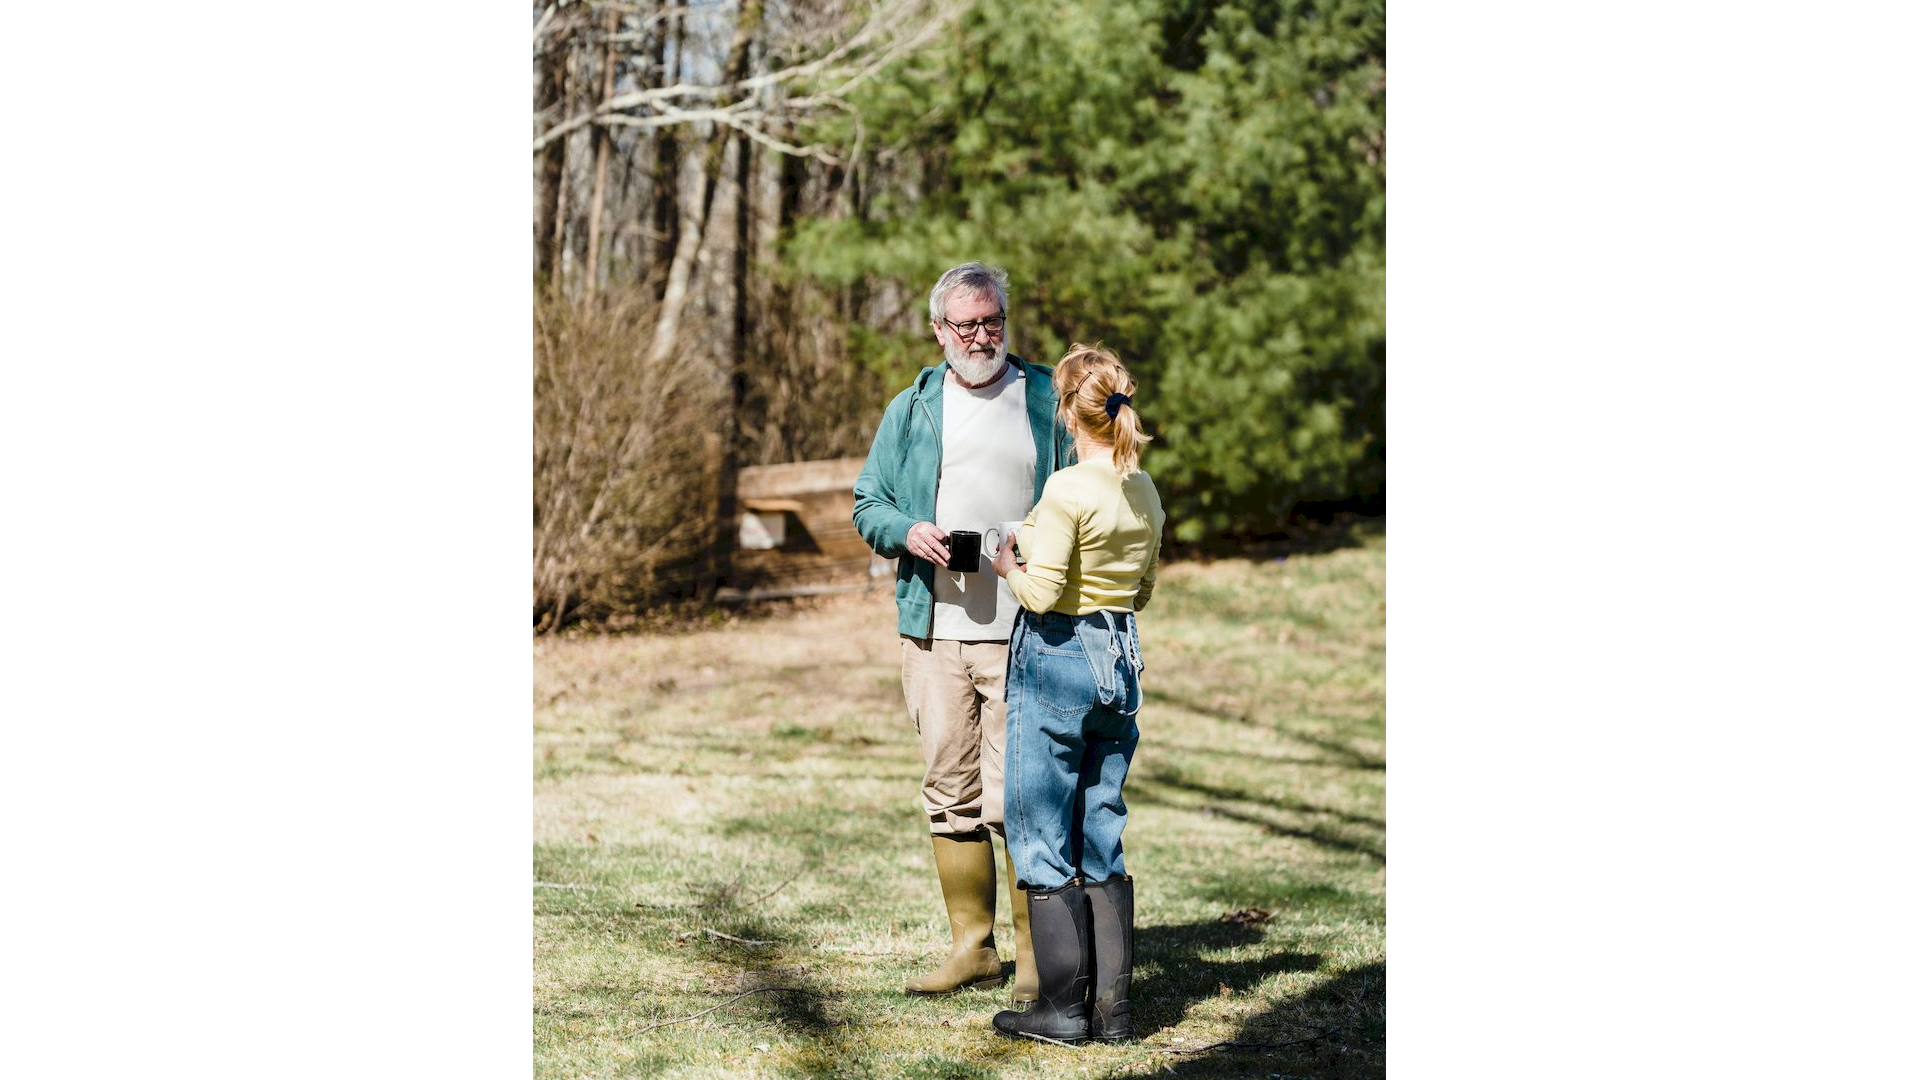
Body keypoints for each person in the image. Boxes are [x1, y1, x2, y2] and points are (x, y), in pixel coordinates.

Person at [852, 262, 1077, 1002]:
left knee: (1022, 798)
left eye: (993, 322)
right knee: (949, 792)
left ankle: (1038, 960)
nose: (981, 337)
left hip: (1028, 629)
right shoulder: (911, 408)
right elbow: (867, 503)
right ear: (938, 330)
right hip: (934, 631)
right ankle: (972, 948)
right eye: (966, 325)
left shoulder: (1048, 398)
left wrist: (1038, 540)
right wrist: (905, 530)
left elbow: (1090, 496)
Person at [985, 343, 1165, 1044]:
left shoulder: (1067, 488)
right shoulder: (1141, 487)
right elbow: (1142, 588)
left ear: (1068, 412)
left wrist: (1006, 561)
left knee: (1037, 830)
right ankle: (1112, 1013)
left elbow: (1041, 589)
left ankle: (1060, 1010)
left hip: (1059, 656)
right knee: (1101, 829)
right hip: (1120, 655)